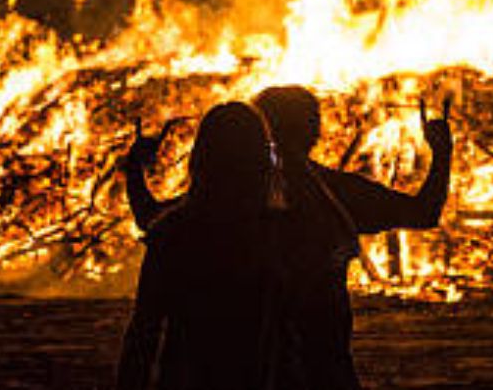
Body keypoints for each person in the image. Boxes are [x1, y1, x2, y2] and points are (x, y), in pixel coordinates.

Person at [126, 86, 453, 390]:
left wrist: (135, 169)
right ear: (313, 133)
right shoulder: (330, 200)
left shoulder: (190, 221)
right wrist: (441, 153)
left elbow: (149, 225)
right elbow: (423, 213)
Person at [116, 101, 292, 390]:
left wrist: (135, 166)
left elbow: (143, 333)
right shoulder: (278, 232)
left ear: (201, 157)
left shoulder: (176, 232)